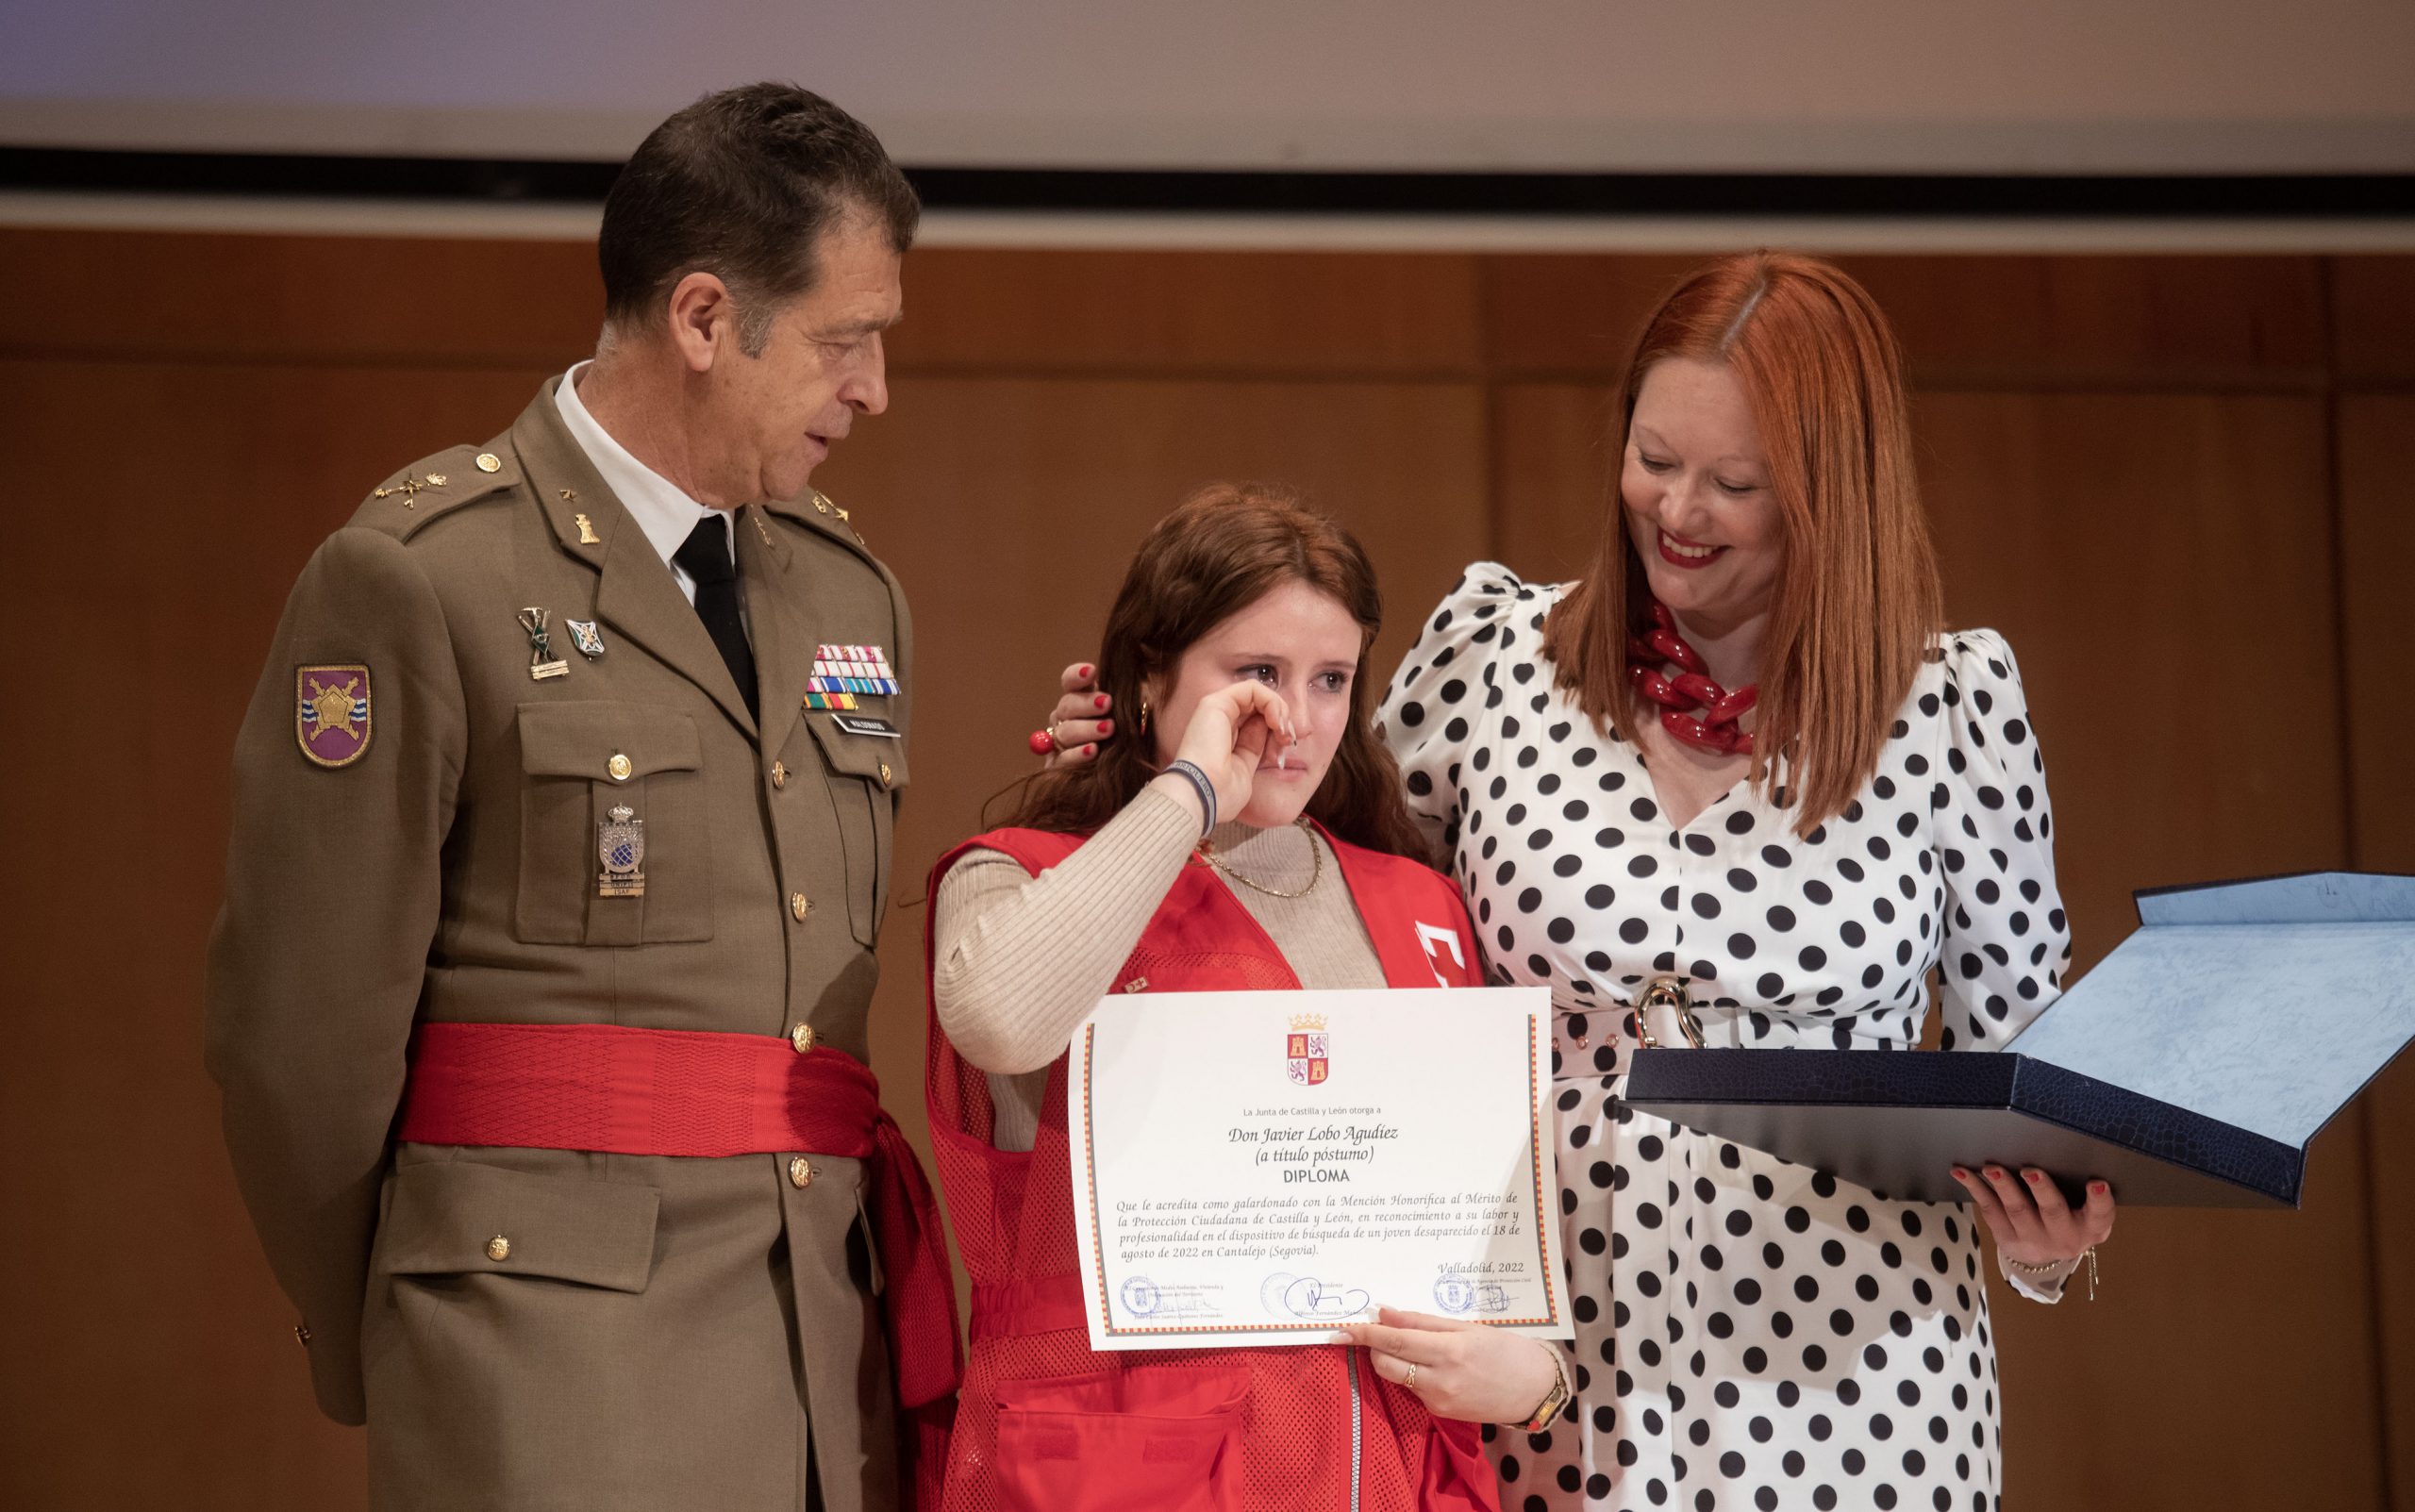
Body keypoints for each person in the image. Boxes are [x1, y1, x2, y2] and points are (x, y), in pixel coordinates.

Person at [1040, 254, 2116, 1511]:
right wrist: (1142, 765)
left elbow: (2027, 1071)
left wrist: (2050, 1236)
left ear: (1835, 489)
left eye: (1736, 482)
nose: (1681, 509)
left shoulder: (1954, 703)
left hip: (1859, 1396)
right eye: (1656, 458)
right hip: (1538, 1386)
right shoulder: (1496, 654)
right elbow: (1308, 870)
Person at [205, 83, 954, 1512]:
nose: (874, 389)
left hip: (820, 1353)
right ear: (702, 318)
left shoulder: (847, 588)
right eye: (846, 340)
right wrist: (401, 1306)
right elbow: (294, 1039)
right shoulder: (426, 572)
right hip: (548, 1361)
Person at [927, 486, 1566, 1512]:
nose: (1295, 721)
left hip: (1387, 1471)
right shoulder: (1024, 875)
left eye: (1330, 681)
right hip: (1121, 1474)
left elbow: (1482, 1229)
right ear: (1147, 677)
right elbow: (1002, 1015)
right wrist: (1189, 789)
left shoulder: (1423, 901)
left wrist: (1536, 1378)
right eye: (1254, 675)